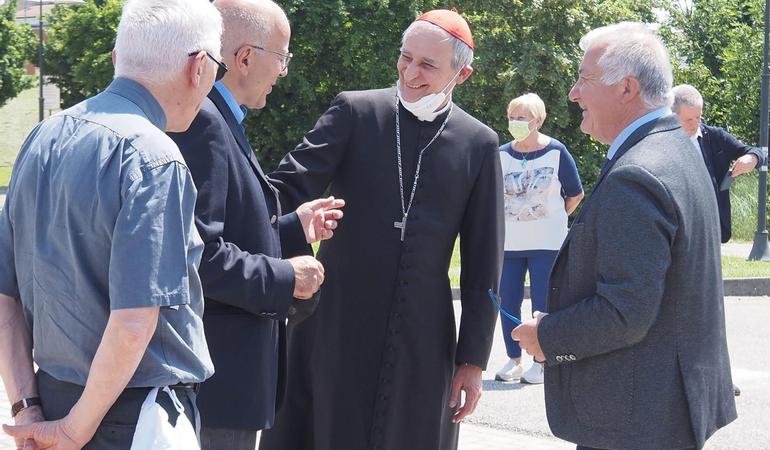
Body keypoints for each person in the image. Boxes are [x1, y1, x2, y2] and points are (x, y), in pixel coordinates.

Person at [259, 9, 504, 450]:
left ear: (461, 74)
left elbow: (485, 260)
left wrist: (472, 360)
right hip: (334, 324)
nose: (410, 73)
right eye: (405, 58)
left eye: (427, 65)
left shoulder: (478, 143)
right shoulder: (356, 111)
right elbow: (286, 188)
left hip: (422, 339)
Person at [0, 0, 223, 448]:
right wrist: (72, 429)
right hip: (133, 417)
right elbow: (133, 323)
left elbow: (6, 295)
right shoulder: (155, 158)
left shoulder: (42, 136)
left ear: (117, 59)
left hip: (53, 402)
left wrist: (29, 408)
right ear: (199, 67)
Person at [513, 22, 736, 450]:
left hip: (635, 421)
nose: (574, 93)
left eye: (584, 79)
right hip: (663, 410)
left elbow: (624, 312)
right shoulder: (676, 148)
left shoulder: (638, 173)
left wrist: (547, 336)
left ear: (626, 88)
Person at [168, 1, 344, 448]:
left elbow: (225, 231)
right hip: (217, 383)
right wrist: (286, 275)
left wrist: (290, 228)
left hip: (223, 383)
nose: (283, 72)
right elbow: (199, 257)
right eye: (281, 58)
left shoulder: (217, 117)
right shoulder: (205, 121)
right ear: (244, 57)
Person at [495, 93, 584, 384]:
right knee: (507, 300)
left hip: (547, 244)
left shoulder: (556, 152)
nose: (516, 122)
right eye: (513, 117)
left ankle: (541, 360)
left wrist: (555, 219)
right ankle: (513, 358)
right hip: (509, 244)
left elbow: (575, 194)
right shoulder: (502, 155)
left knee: (543, 303)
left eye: (522, 117)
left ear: (538, 120)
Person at [672, 84, 765, 243]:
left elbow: (756, 152)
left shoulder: (716, 137)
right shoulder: (661, 142)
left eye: (699, 117)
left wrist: (752, 158)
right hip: (676, 222)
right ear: (672, 117)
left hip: (711, 225)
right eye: (689, 119)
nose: (696, 123)